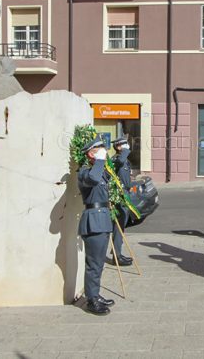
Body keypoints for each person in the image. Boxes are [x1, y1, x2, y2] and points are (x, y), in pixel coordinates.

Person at [77, 135, 115, 315]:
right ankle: (91, 301)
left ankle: (95, 294)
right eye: (98, 150)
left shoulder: (98, 171)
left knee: (99, 263)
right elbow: (92, 179)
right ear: (90, 154)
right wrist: (99, 161)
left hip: (103, 220)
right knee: (93, 263)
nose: (103, 152)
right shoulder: (85, 172)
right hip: (93, 221)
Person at [110, 135, 133, 266]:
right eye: (124, 144)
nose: (127, 146)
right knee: (118, 226)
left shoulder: (123, 159)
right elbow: (120, 161)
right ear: (119, 147)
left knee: (120, 226)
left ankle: (117, 253)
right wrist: (125, 151)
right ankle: (116, 256)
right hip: (119, 196)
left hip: (125, 195)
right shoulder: (117, 158)